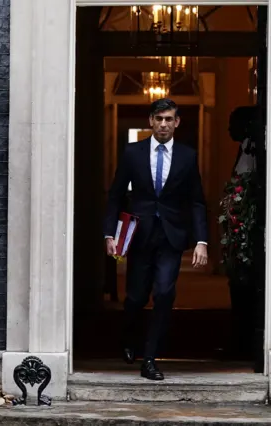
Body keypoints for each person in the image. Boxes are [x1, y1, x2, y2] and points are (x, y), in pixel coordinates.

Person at [103, 98, 209, 380]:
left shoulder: (188, 156)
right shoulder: (132, 153)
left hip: (171, 237)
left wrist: (202, 241)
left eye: (169, 119)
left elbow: (197, 201)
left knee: (163, 293)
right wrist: (109, 233)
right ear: (151, 121)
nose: (163, 124)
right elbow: (115, 194)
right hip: (139, 235)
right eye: (159, 118)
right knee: (136, 297)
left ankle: (149, 358)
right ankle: (128, 338)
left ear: (177, 122)